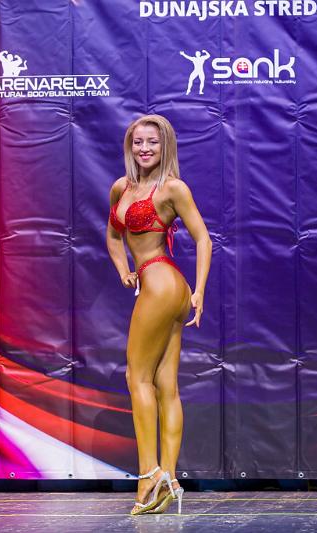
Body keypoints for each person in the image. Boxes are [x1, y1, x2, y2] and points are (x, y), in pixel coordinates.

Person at [106, 115, 211, 515]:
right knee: (165, 384)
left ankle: (148, 474)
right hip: (157, 281)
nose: (145, 148)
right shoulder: (122, 187)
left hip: (164, 282)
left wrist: (200, 290)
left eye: (152, 141)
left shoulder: (172, 188)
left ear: (165, 146)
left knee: (137, 378)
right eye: (138, 142)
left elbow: (203, 238)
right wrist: (123, 270)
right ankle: (169, 476)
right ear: (129, 146)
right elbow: (113, 235)